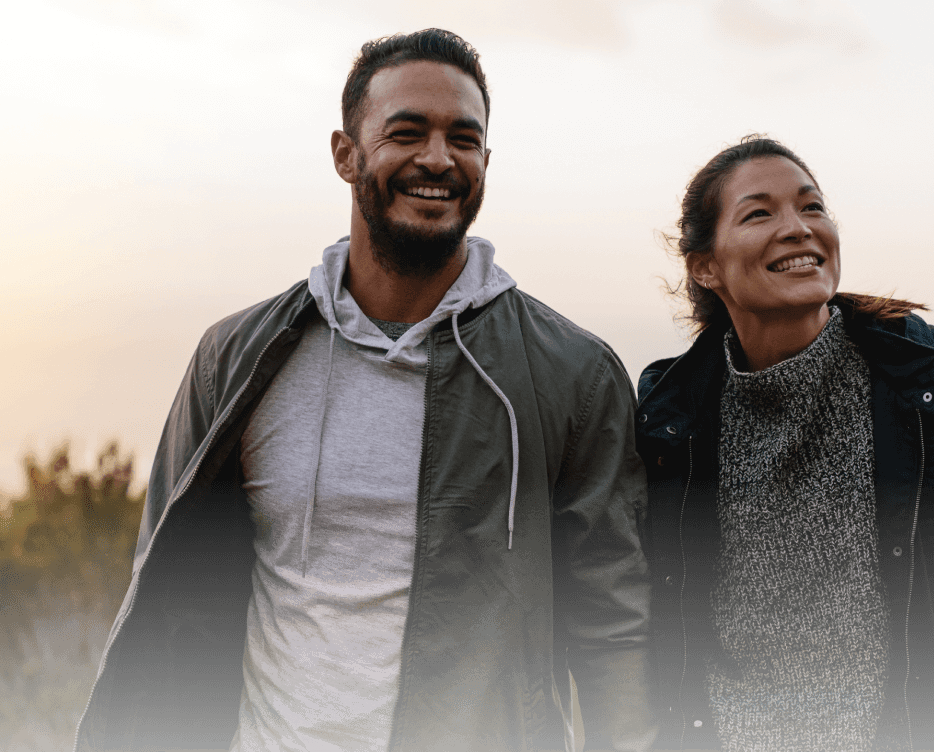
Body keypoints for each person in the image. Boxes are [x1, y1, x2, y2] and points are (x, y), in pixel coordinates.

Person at [75, 29, 655, 752]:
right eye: (406, 132)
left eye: (464, 139)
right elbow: (165, 595)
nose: (438, 158)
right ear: (346, 154)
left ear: (485, 161)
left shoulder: (573, 374)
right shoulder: (237, 358)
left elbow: (616, 631)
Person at [633, 135, 934, 752]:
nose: (798, 228)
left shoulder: (932, 387)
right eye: (759, 213)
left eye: (812, 207)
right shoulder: (669, 422)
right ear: (705, 265)